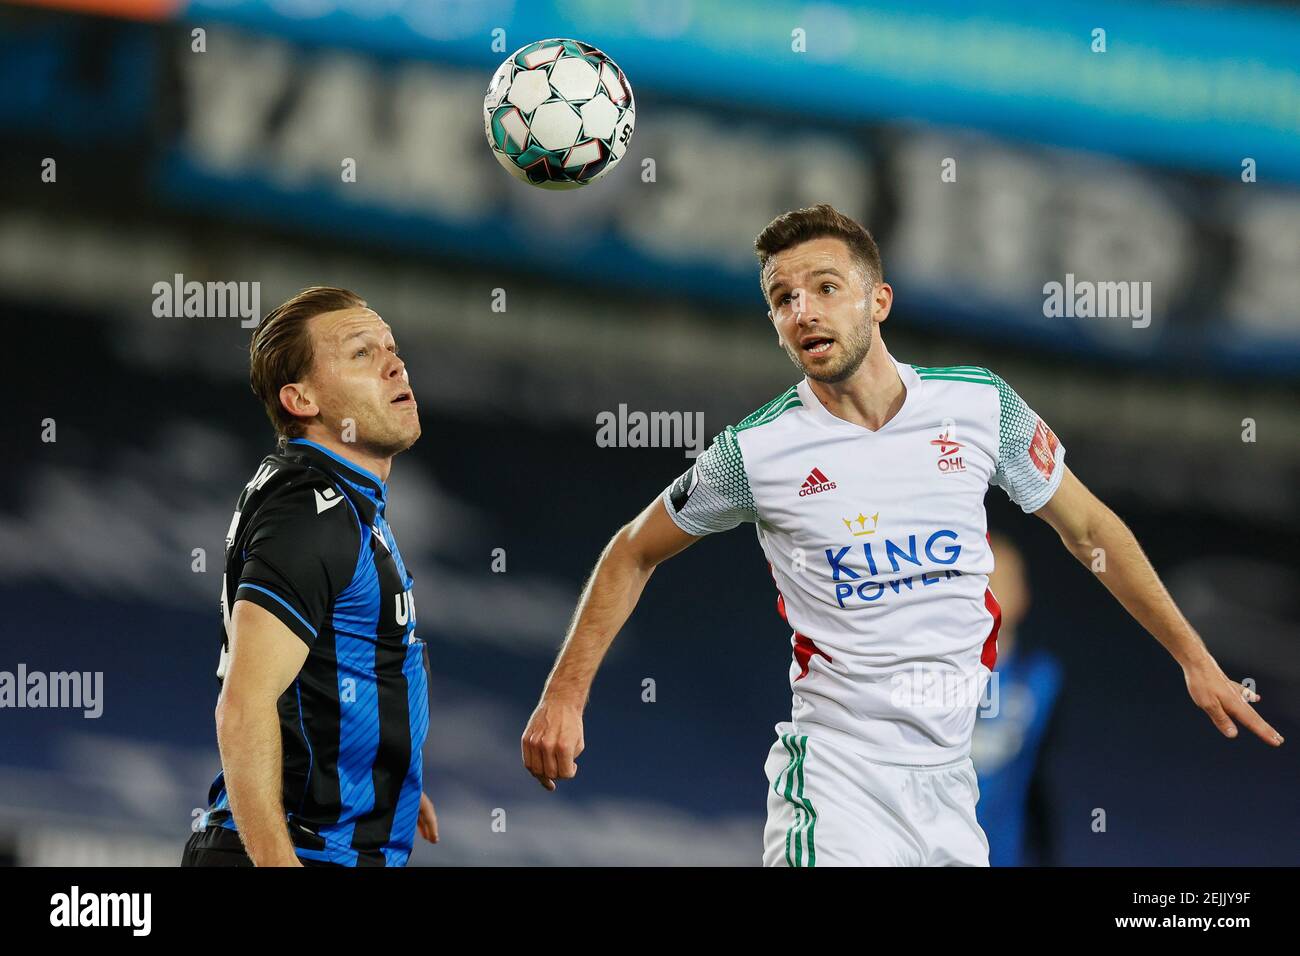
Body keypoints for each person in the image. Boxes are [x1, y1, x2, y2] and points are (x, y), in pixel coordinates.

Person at [520, 204, 1283, 867]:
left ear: (878, 300)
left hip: (952, 788)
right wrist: (565, 695)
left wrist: (1194, 658)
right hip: (838, 782)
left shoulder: (981, 407)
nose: (804, 311)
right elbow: (634, 548)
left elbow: (1089, 527)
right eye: (783, 299)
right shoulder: (755, 451)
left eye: (825, 287)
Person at [184, 286, 437, 867]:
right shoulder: (312, 508)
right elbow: (243, 705)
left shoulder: (342, 501)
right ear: (301, 399)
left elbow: (329, 667)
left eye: (390, 348)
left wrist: (383, 773)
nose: (394, 363)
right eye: (360, 354)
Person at [971, 532, 1063, 866]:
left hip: (1004, 854)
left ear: (1023, 594)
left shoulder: (1042, 679)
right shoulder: (925, 674)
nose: (991, 591)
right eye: (982, 578)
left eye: (1002, 580)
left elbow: (1039, 777)